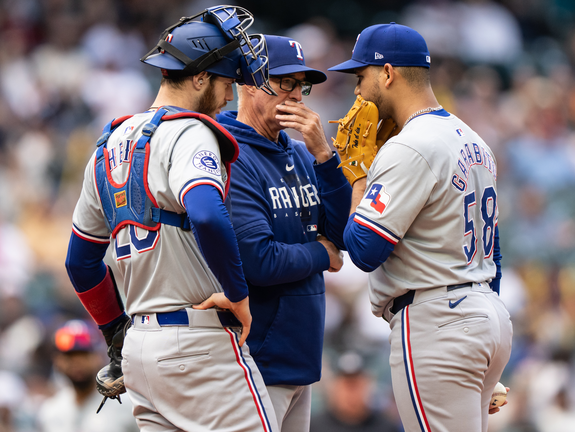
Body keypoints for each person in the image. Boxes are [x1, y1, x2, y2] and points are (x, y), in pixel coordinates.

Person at [64, 6, 280, 432]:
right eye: (224, 80)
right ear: (199, 77)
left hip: (140, 353)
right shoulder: (190, 132)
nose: (228, 94)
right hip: (197, 342)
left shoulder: (107, 145)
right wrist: (238, 294)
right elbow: (207, 214)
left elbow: (80, 263)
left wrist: (115, 332)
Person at [328, 23, 513, 432]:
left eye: (361, 77)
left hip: (436, 323)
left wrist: (358, 174)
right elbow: (493, 253)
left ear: (388, 73)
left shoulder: (411, 145)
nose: (357, 91)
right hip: (484, 314)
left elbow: (363, 249)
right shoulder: (473, 139)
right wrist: (480, 346)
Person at [216, 35, 351, 432]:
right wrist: (321, 255)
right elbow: (259, 260)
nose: (294, 95)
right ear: (245, 82)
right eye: (282, 82)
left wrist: (325, 158)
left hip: (300, 354)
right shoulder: (229, 154)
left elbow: (341, 234)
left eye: (300, 85)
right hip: (256, 357)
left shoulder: (299, 151)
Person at [36, 320, 139, 432]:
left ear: (98, 356)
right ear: (57, 360)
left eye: (83, 354)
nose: (77, 361)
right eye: (70, 356)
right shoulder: (50, 411)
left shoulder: (129, 405)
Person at [310, 351, 402, 432]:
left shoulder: (386, 427)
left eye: (356, 385)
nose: (351, 393)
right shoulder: (314, 426)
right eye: (346, 385)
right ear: (334, 386)